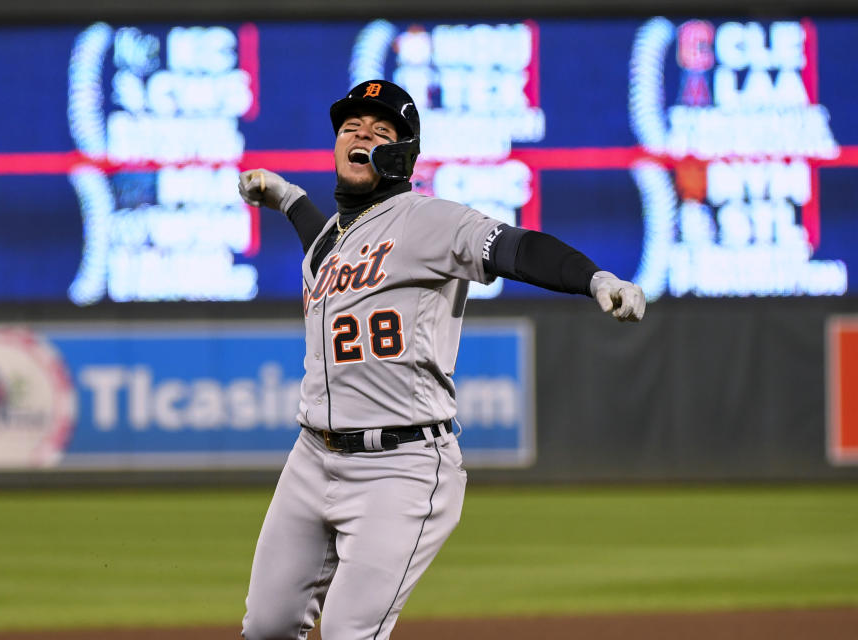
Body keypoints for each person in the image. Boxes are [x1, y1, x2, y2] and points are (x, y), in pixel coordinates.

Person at [237, 79, 645, 640]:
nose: (361, 135)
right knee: (267, 628)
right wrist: (285, 196)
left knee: (348, 633)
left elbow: (516, 247)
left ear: (402, 154)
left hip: (401, 465)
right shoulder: (333, 238)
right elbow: (319, 238)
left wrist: (593, 278)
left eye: (381, 131)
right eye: (351, 127)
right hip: (310, 456)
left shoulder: (428, 220)